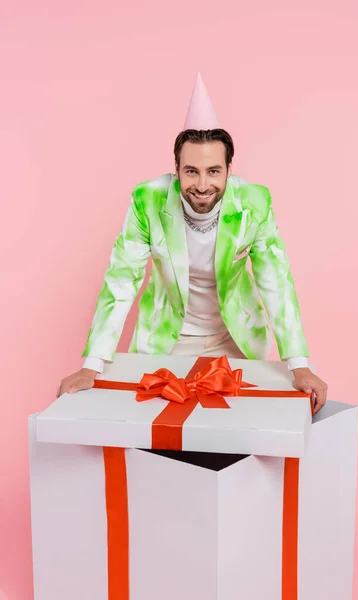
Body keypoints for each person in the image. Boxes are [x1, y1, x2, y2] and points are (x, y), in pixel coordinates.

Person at [57, 74, 327, 413]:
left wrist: (298, 363)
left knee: (234, 431)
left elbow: (276, 281)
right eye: (191, 171)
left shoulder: (255, 202)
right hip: (166, 340)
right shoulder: (148, 200)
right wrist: (92, 365)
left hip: (234, 339)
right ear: (176, 170)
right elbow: (122, 280)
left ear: (230, 170)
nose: (202, 184)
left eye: (214, 171)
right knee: (154, 430)